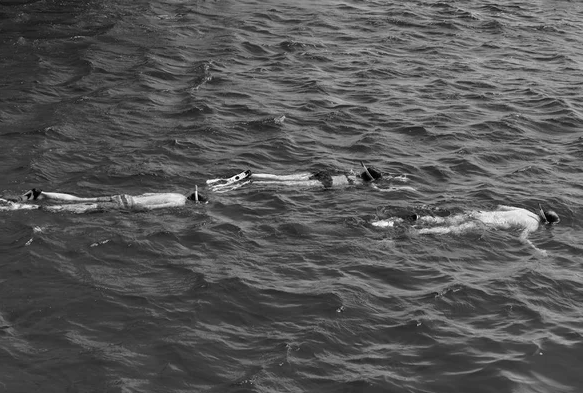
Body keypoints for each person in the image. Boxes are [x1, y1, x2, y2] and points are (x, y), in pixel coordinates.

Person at [372, 204, 560, 256]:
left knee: (442, 219)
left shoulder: (524, 211)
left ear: (540, 212)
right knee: (447, 230)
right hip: (483, 225)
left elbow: (500, 206)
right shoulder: (534, 225)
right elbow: (522, 239)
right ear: (546, 223)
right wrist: (536, 250)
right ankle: (407, 235)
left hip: (479, 214)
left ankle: (404, 220)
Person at [207, 162, 412, 193]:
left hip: (320, 174)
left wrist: (397, 179)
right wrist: (400, 185)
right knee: (285, 186)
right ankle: (251, 181)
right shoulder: (360, 184)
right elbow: (379, 186)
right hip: (323, 182)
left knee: (283, 178)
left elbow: (379, 179)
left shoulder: (352, 173)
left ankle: (254, 174)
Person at [0, 186, 206, 213]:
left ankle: (40, 193)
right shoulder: (179, 203)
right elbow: (151, 207)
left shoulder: (176, 193)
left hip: (125, 195)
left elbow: (148, 194)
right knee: (79, 209)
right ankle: (25, 207)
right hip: (128, 205)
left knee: (78, 199)